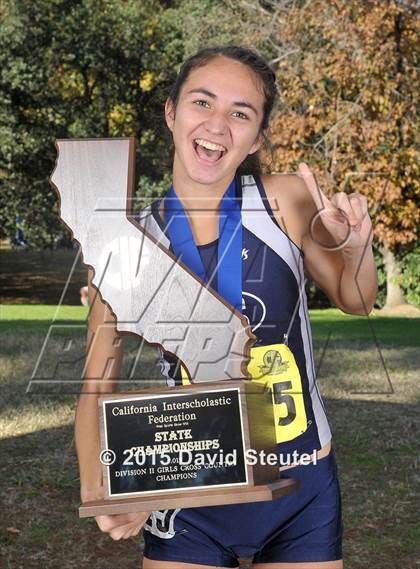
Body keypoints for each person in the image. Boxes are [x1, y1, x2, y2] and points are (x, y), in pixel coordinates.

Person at [74, 46, 377, 569]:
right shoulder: (125, 244)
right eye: (202, 102)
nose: (218, 125)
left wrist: (354, 250)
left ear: (257, 136)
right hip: (192, 488)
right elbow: (96, 384)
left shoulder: (284, 200)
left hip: (301, 482)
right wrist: (99, 490)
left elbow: (358, 298)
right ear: (171, 112)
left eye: (241, 113)